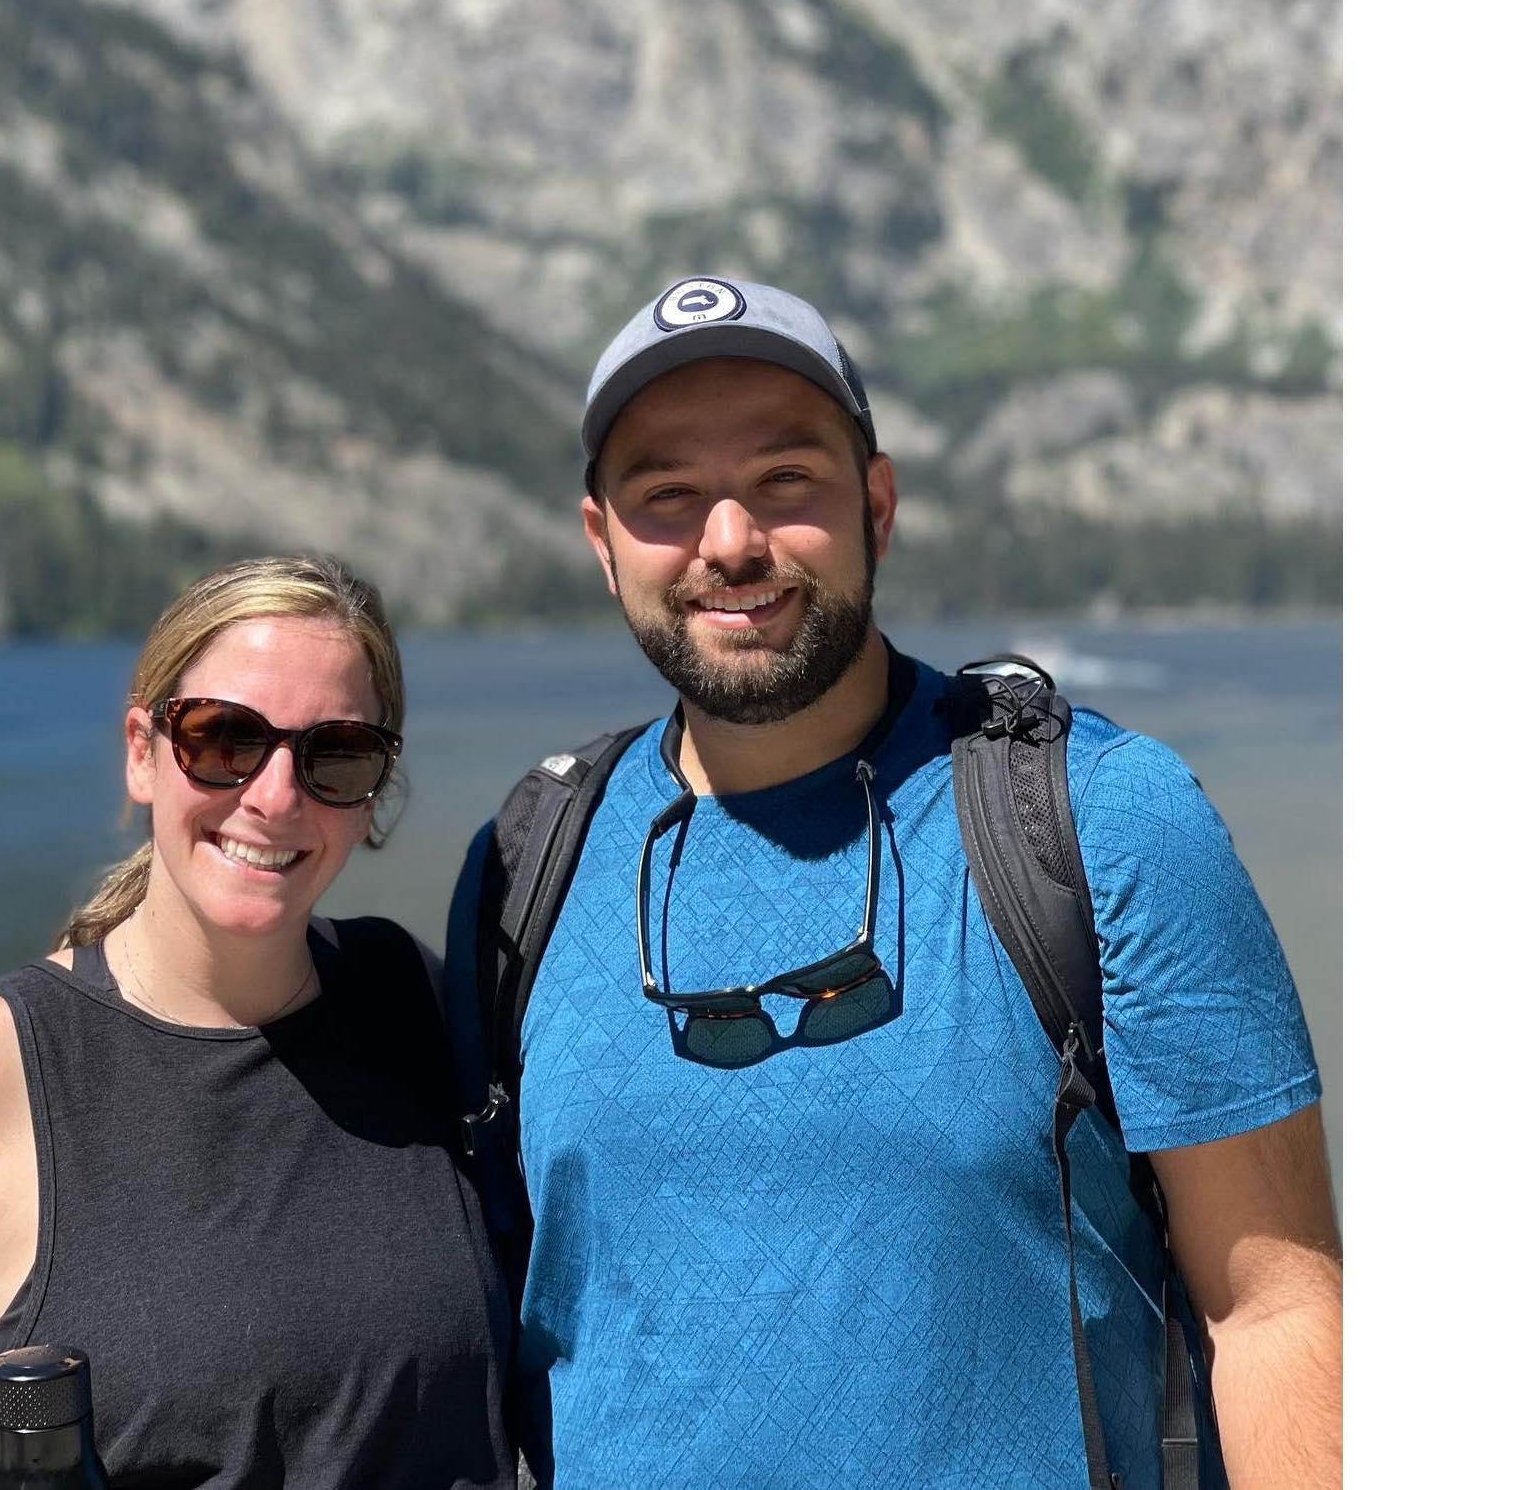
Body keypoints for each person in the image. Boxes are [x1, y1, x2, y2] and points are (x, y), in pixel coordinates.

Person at [445, 278, 1341, 1489]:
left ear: (875, 502)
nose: (727, 541)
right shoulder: (523, 863)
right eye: (666, 496)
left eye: (784, 480)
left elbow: (1274, 1304)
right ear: (602, 543)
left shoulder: (1100, 819)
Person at [0, 554, 515, 1490]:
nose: (274, 796)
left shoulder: (412, 1000)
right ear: (142, 752)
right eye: (225, 739)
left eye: (335, 754)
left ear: (372, 795)